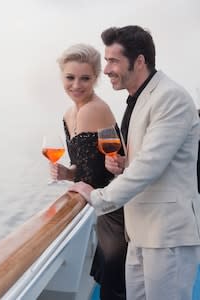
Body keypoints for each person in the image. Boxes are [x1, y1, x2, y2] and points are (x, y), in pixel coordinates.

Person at [69, 25, 200, 300]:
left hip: (166, 236)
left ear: (139, 61)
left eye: (113, 60)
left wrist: (97, 196)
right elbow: (145, 160)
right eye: (106, 61)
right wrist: (124, 163)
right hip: (139, 232)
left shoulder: (170, 97)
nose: (106, 70)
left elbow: (150, 166)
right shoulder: (138, 99)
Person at [52, 43, 127, 300]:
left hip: (116, 208)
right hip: (102, 206)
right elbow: (85, 168)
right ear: (62, 76)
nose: (76, 85)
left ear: (96, 78)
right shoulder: (68, 113)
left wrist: (80, 178)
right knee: (111, 284)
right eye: (70, 77)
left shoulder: (94, 109)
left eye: (85, 78)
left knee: (114, 286)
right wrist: (67, 173)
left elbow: (101, 172)